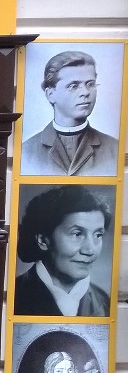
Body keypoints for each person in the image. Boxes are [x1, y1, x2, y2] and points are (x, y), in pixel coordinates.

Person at [12, 186, 111, 317]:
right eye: (77, 234)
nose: (90, 250)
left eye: (98, 235)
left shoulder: (104, 301)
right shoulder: (14, 295)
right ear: (43, 240)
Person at [22, 51, 119, 177]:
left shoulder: (114, 148)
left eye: (90, 84)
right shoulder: (27, 152)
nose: (85, 92)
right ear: (50, 94)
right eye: (73, 86)